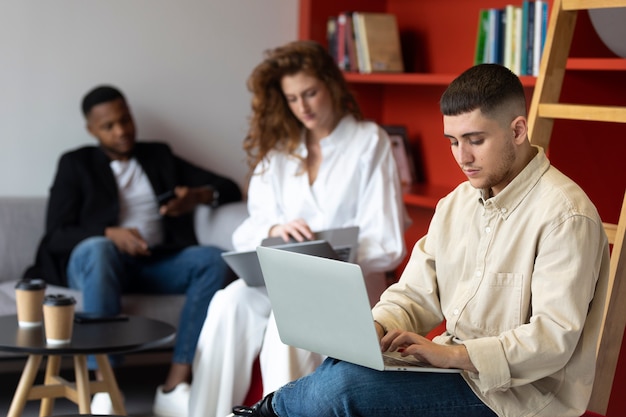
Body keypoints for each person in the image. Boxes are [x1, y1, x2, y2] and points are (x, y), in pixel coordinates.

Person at [231, 63, 612, 417]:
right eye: (452, 141)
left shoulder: (565, 215)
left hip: (518, 396)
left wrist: (455, 356)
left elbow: (552, 340)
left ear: (517, 130)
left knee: (343, 389)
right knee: (344, 366)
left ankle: (269, 411)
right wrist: (374, 330)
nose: (462, 157)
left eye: (475, 140)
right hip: (456, 369)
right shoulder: (456, 204)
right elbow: (412, 294)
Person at [188, 40, 407, 417]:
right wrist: (274, 227)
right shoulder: (280, 151)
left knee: (286, 322)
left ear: (332, 87)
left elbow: (388, 243)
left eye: (310, 93)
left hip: (343, 283)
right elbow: (245, 231)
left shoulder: (369, 142)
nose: (302, 107)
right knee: (228, 301)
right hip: (278, 277)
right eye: (292, 99)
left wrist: (328, 250)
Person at [23, 85, 242, 417]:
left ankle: (174, 385)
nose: (122, 131)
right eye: (109, 126)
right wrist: (110, 233)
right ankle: (103, 387)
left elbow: (229, 187)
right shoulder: (75, 164)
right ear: (91, 129)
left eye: (125, 120)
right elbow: (56, 235)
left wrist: (195, 197)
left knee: (212, 259)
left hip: (154, 262)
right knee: (99, 249)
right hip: (94, 264)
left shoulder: (158, 156)